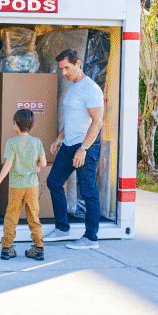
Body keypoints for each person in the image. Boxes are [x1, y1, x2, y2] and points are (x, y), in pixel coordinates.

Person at [44, 49, 104, 249]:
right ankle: (62, 228)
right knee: (54, 182)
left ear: (78, 63)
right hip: (69, 144)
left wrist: (84, 148)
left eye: (67, 68)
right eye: (61, 68)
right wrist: (59, 138)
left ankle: (91, 238)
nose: (64, 72)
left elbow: (97, 122)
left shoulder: (91, 89)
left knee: (88, 192)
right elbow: (70, 118)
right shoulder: (73, 86)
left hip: (85, 146)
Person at [0, 109, 47, 261]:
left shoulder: (11, 142)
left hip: (16, 186)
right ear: (31, 125)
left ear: (15, 124)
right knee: (33, 216)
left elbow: (8, 165)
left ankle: (7, 248)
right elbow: (43, 162)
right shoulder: (37, 142)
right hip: (32, 186)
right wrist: (36, 168)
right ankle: (38, 248)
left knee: (11, 216)